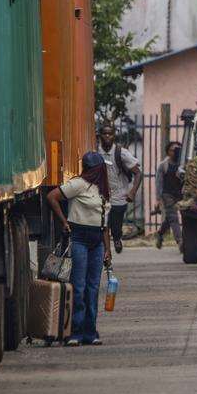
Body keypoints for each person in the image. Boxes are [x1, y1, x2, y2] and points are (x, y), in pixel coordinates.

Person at [46, 152, 112, 346]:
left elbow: (105, 224)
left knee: (93, 288)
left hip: (97, 241)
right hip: (79, 237)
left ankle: (91, 333)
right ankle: (74, 332)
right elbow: (52, 197)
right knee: (79, 287)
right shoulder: (78, 184)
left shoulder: (103, 190)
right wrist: (64, 221)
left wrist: (108, 250)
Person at [96, 124, 143, 254]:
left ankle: (117, 238)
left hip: (118, 197)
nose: (107, 136)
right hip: (100, 197)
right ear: (99, 135)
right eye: (104, 133)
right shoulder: (95, 152)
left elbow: (138, 173)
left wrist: (132, 192)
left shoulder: (120, 153)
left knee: (115, 228)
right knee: (102, 226)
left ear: (114, 135)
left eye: (110, 134)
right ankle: (106, 252)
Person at [155, 141, 183, 250]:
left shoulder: (183, 164)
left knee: (169, 219)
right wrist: (157, 199)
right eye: (172, 150)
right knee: (173, 217)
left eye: (177, 150)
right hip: (168, 195)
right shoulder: (163, 165)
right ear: (168, 152)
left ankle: (160, 233)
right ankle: (180, 241)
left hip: (181, 194)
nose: (175, 152)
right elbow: (159, 182)